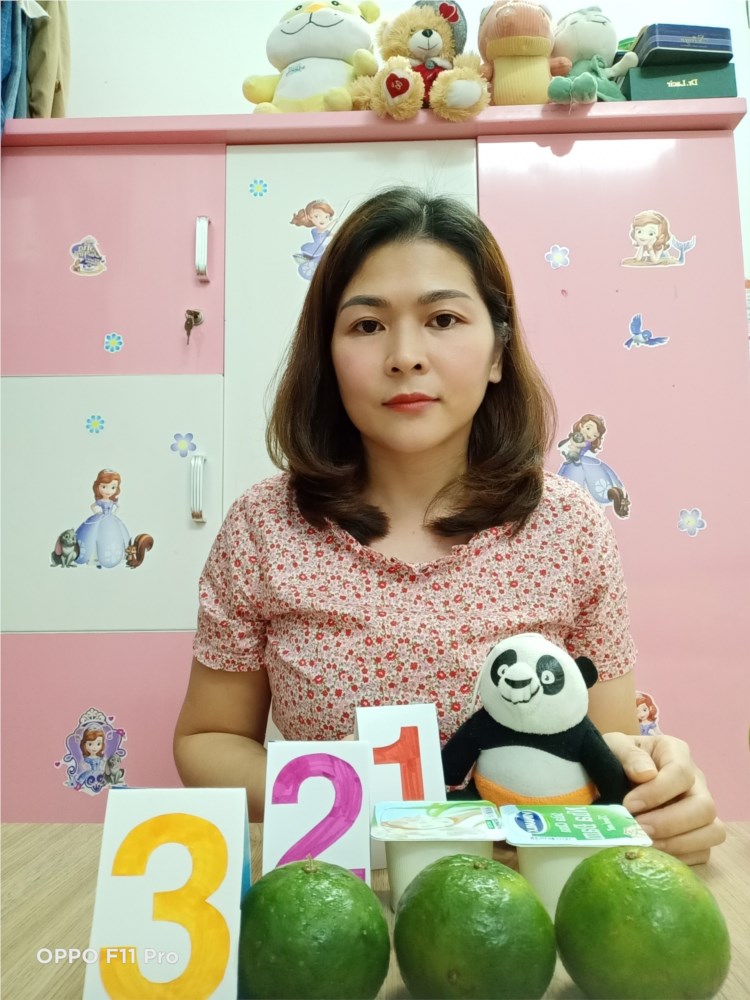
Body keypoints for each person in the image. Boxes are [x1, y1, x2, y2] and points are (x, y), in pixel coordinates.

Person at [174, 187, 724, 865]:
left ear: (497, 353)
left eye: (443, 318)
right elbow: (208, 740)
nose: (405, 355)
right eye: (367, 325)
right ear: (327, 356)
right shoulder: (264, 526)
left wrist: (655, 787)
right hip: (341, 894)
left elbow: (605, 751)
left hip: (523, 895)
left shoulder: (570, 527)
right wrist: (375, 811)